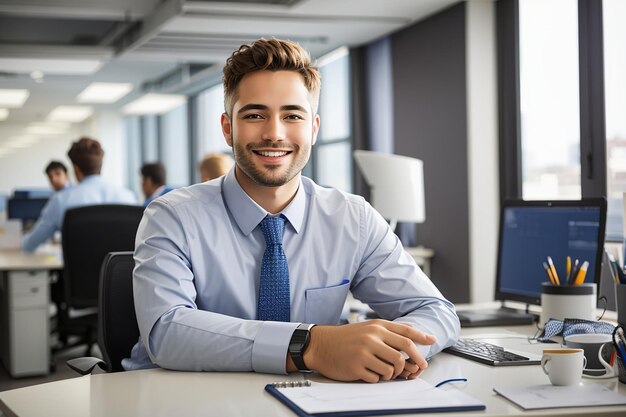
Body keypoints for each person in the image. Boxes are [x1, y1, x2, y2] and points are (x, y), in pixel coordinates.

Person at [126, 38, 460, 383]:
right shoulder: (172, 216)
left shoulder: (353, 218)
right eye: (255, 115)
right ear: (228, 128)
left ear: (313, 128)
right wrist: (310, 345)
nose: (274, 133)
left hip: (309, 400)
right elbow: (165, 331)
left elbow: (436, 312)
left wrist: (393, 351)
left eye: (292, 115)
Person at [22, 137, 137, 252]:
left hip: (79, 269)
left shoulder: (61, 200)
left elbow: (30, 244)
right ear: (100, 165)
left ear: (76, 169)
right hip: (120, 270)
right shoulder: (129, 197)